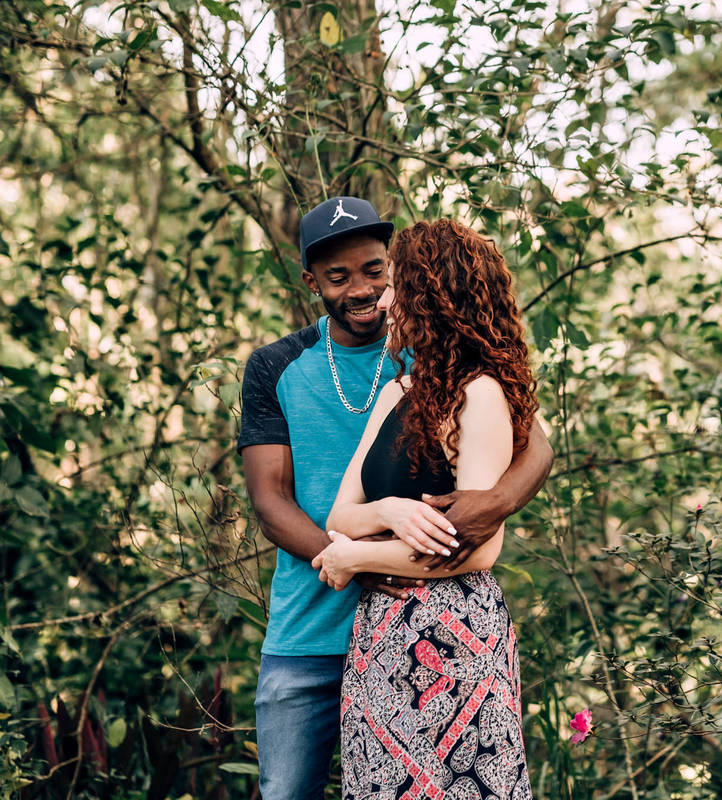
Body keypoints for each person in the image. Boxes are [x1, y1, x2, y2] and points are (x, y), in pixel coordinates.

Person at [237, 198, 552, 800]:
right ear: (311, 282)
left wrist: (491, 506)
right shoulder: (278, 365)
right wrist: (356, 554)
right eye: (338, 276)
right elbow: (271, 502)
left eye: (376, 272)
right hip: (314, 626)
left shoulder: (433, 353)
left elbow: (532, 440)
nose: (365, 292)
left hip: (432, 623)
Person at [310, 219, 537, 799]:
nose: (386, 301)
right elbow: (339, 517)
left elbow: (478, 549)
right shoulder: (397, 391)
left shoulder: (480, 395)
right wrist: (388, 510)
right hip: (380, 636)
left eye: (396, 287)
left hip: (454, 635)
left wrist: (355, 557)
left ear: (432, 297)